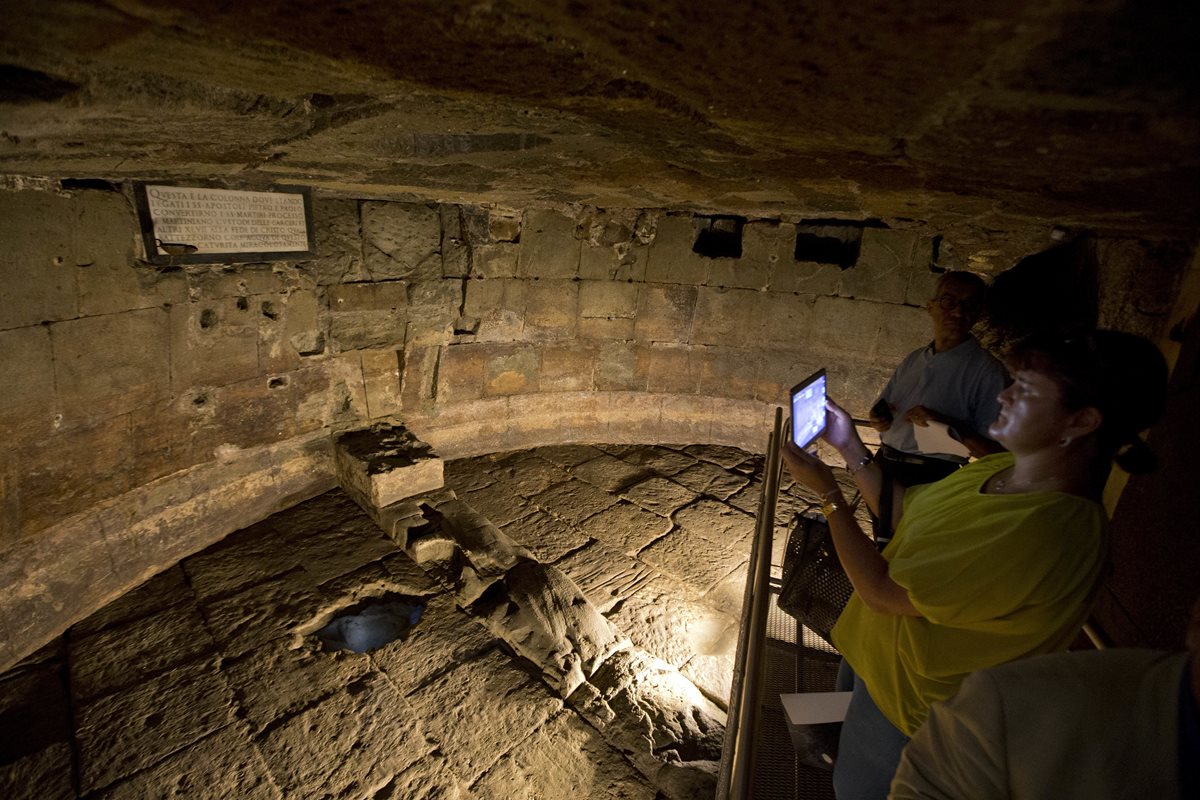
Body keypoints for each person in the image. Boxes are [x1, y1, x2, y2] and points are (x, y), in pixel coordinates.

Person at [780, 328, 1169, 800]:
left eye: (1023, 389)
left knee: (857, 788)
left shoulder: (1047, 532)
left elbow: (882, 592)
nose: (1003, 395)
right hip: (877, 659)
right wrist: (849, 447)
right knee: (842, 730)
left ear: (1081, 421)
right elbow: (903, 510)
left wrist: (828, 494)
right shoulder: (1001, 469)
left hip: (909, 712)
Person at [888, 598, 1200, 799]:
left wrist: (836, 502)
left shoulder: (1013, 712)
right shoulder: (1013, 710)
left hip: (905, 707)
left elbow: (886, 592)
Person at [870, 271, 1009, 487]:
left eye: (968, 304)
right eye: (948, 301)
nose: (958, 311)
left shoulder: (988, 373)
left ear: (978, 314)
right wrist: (879, 419)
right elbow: (884, 408)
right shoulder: (916, 358)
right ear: (931, 307)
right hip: (885, 465)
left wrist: (948, 425)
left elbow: (996, 455)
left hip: (930, 477)